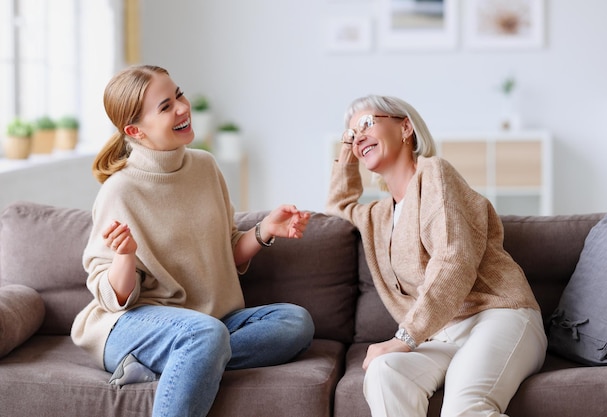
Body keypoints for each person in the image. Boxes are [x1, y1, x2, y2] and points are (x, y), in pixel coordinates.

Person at [71, 64, 314, 417]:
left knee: (295, 322)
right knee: (205, 335)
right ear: (135, 130)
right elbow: (115, 298)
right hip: (132, 325)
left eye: (178, 95)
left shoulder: (206, 167)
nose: (183, 108)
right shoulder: (120, 190)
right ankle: (194, 354)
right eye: (166, 106)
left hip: (210, 321)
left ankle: (181, 362)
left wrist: (265, 231)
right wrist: (124, 256)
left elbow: (225, 251)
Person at [326, 95, 547, 417]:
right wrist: (347, 151)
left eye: (367, 124)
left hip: (497, 316)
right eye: (351, 134)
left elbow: (453, 259)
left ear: (405, 128)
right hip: (442, 334)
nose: (358, 136)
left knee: (462, 409)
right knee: (385, 372)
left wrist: (404, 337)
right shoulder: (378, 216)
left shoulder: (435, 174)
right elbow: (338, 208)